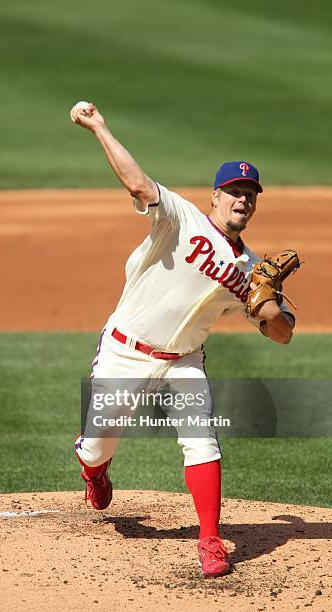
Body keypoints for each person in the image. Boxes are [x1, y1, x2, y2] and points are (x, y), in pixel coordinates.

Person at [70, 102, 295, 578]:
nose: (242, 200)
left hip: (183, 362)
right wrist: (99, 127)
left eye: (250, 194)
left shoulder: (253, 270)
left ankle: (210, 541)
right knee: (95, 448)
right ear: (215, 197)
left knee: (203, 443)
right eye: (234, 192)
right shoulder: (180, 217)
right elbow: (137, 184)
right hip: (125, 351)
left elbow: (283, 333)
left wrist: (267, 301)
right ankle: (95, 472)